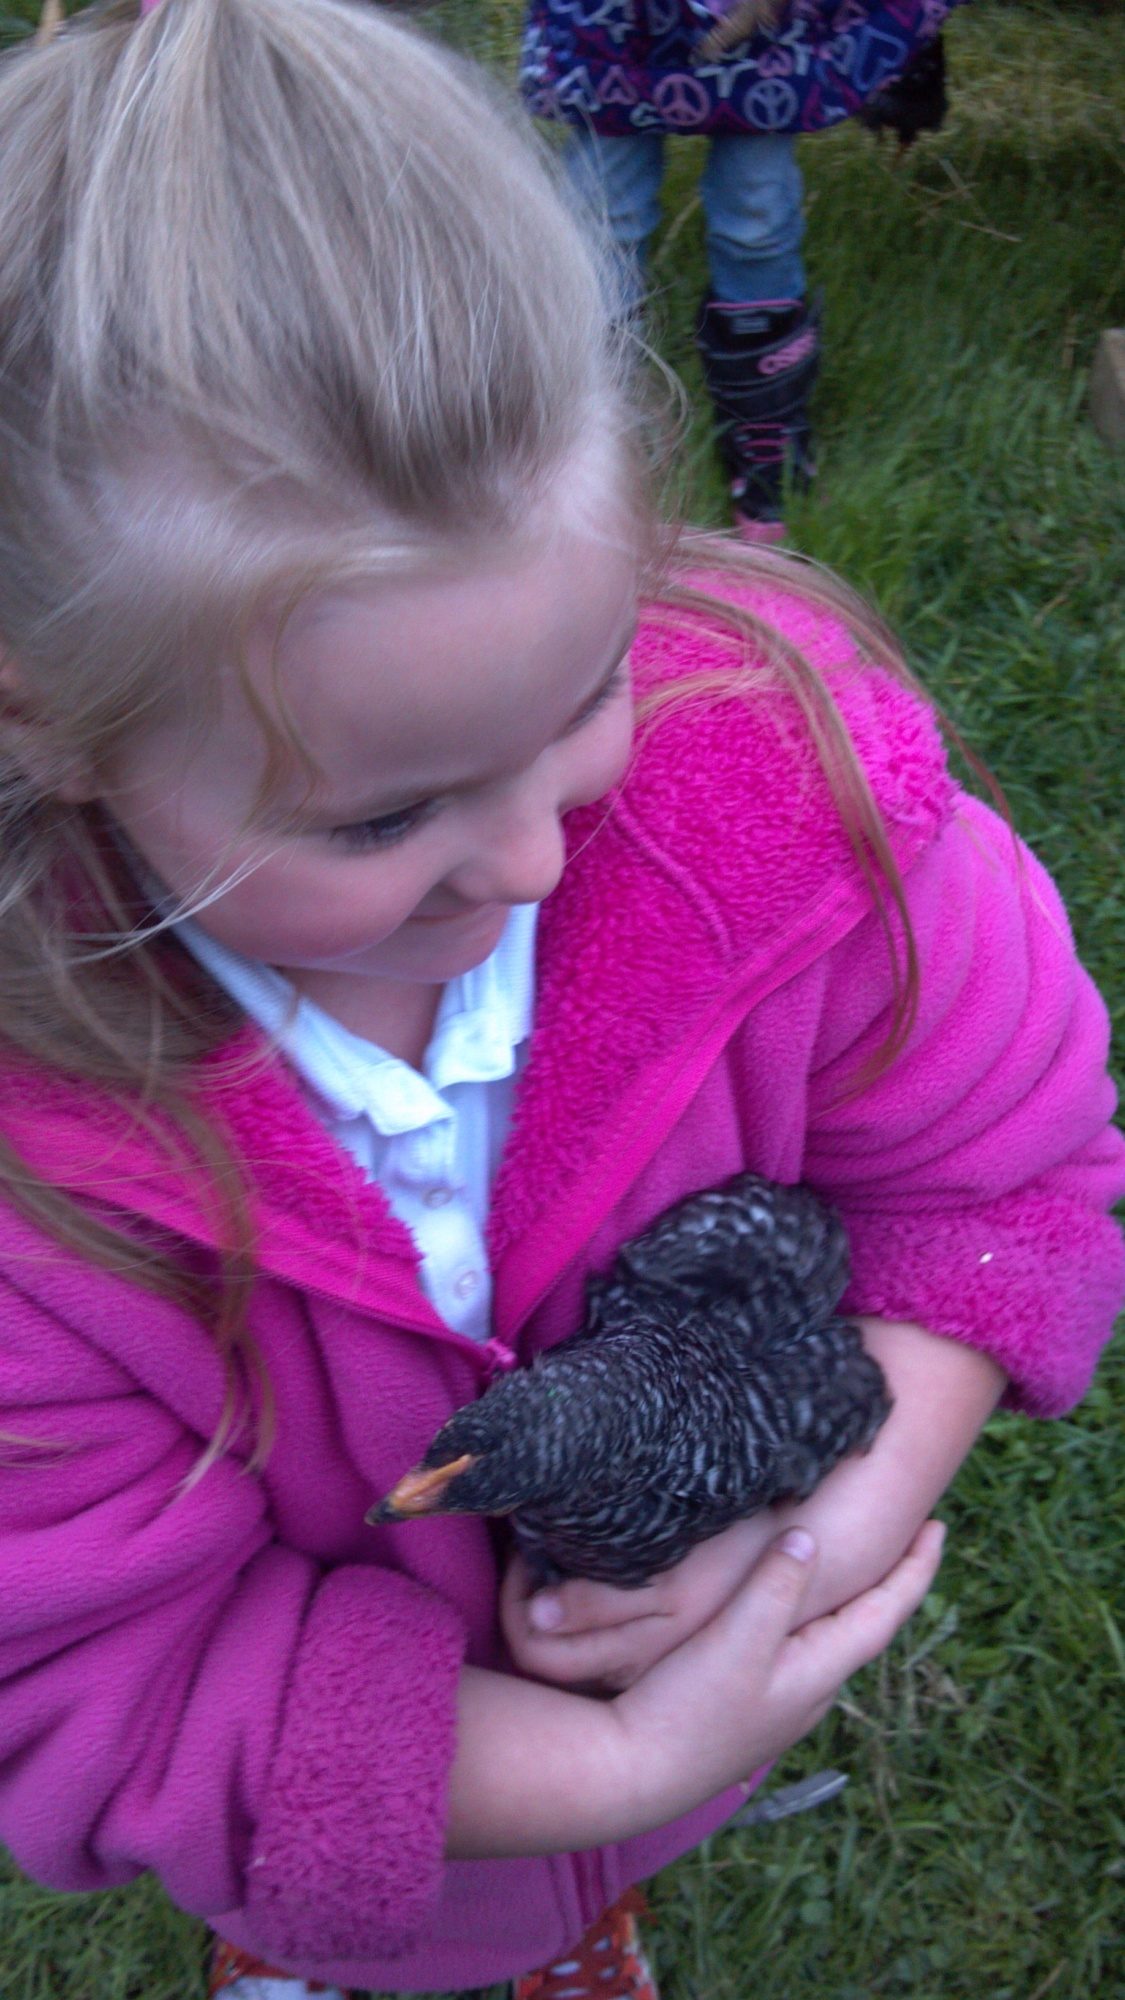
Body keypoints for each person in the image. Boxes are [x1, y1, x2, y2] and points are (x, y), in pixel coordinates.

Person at [0, 6, 1120, 2000]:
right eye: (390, 809)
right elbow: (105, 1676)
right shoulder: (40, 1189)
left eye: (587, 688)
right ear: (56, 728)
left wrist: (801, 1552)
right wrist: (601, 1753)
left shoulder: (804, 813)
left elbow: (1000, 1185)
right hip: (393, 1863)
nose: (529, 858)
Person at [520, 0, 961, 540]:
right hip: (617, 30)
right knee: (601, 214)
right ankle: (585, 416)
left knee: (756, 215)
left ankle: (765, 425)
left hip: (761, 35)